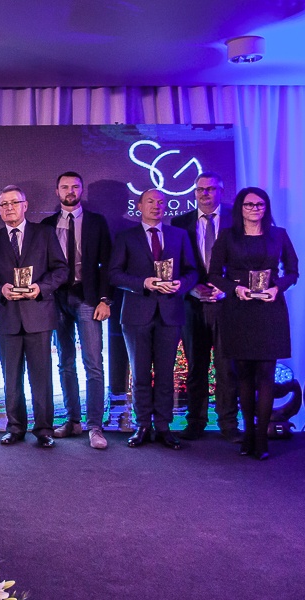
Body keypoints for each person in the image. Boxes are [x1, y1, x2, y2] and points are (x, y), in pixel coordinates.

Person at [208, 187, 298, 460]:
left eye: (259, 204)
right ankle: (247, 432)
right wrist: (234, 289)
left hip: (270, 310)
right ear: (240, 208)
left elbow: (293, 271)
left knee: (266, 374)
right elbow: (214, 274)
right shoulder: (227, 236)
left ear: (266, 208)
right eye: (249, 205)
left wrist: (277, 288)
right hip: (238, 309)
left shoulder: (279, 234)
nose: (254, 209)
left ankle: (261, 437)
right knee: (244, 374)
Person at [0, 185, 68, 449]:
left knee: (41, 378)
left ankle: (44, 429)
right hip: (8, 316)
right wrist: (0, 290)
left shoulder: (44, 233)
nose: (9, 208)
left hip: (38, 314)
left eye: (14, 203)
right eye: (4, 204)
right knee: (11, 379)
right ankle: (15, 427)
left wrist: (41, 287)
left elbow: (60, 270)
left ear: (25, 205)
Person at [108, 189, 197, 450]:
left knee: (166, 374)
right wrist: (143, 283)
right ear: (139, 206)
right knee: (140, 374)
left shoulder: (179, 235)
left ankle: (164, 426)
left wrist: (181, 284)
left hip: (170, 312)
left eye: (160, 202)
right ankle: (143, 424)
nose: (156, 206)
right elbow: (114, 274)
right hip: (136, 313)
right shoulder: (126, 237)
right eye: (150, 201)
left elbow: (192, 271)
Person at [40, 171, 112, 449]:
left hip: (88, 298)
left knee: (93, 363)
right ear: (57, 191)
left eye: (75, 186)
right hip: (56, 298)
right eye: (65, 187)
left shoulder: (96, 222)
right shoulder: (47, 225)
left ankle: (95, 426)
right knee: (65, 362)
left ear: (82, 190)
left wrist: (105, 299)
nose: (70, 191)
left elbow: (107, 264)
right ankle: (73, 420)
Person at [170, 172, 240, 442]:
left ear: (221, 191)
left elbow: (245, 260)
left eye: (211, 189)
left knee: (227, 367)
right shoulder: (180, 222)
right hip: (192, 303)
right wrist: (192, 287)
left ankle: (228, 423)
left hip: (227, 304)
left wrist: (227, 288)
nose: (205, 194)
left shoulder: (237, 218)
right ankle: (196, 421)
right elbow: (177, 263)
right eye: (200, 189)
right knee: (195, 367)